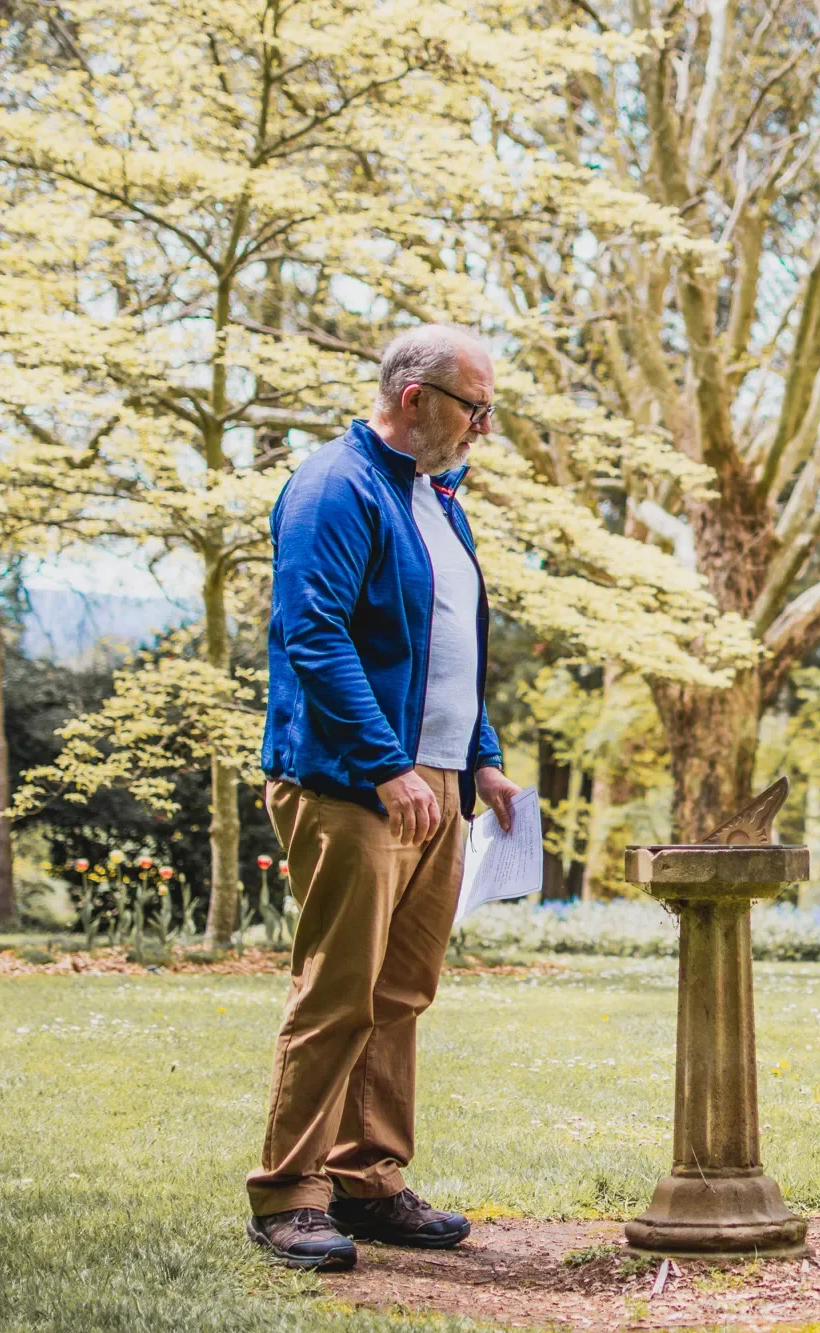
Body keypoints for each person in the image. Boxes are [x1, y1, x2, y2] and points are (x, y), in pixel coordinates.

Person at [246, 324, 521, 1270]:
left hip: (436, 784)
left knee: (401, 991)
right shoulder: (335, 486)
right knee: (340, 990)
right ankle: (289, 1193)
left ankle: (367, 1178)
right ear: (415, 397)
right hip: (354, 780)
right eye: (474, 407)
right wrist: (385, 763)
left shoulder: (438, 499)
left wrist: (481, 759)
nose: (483, 426)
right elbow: (313, 632)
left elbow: (447, 650)